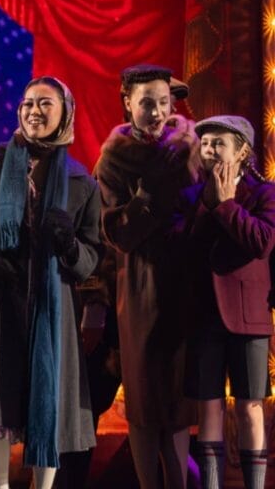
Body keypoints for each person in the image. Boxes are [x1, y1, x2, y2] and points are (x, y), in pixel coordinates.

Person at [0, 77, 102, 489]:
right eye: (28, 103)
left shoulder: (82, 183)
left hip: (52, 309)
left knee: (48, 403)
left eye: (45, 103)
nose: (34, 110)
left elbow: (89, 260)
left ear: (64, 112)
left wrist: (68, 244)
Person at [88, 64, 197, 489]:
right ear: (127, 103)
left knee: (178, 401)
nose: (156, 111)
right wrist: (149, 204)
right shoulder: (113, 158)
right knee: (145, 400)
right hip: (140, 287)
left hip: (186, 283)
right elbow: (119, 233)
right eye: (146, 102)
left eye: (163, 102)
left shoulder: (188, 145)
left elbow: (196, 207)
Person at [173, 115, 272, 489]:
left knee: (250, 406)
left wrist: (228, 206)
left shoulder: (265, 194)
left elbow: (261, 243)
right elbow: (182, 250)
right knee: (208, 406)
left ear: (243, 151)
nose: (211, 150)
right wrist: (209, 205)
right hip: (203, 316)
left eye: (220, 143)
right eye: (207, 143)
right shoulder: (189, 197)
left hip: (248, 318)